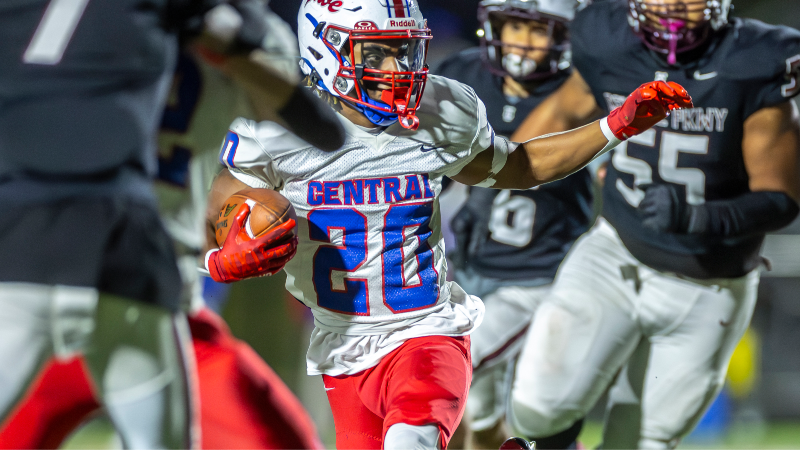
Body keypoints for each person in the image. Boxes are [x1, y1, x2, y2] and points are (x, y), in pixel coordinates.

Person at [202, 0, 692, 448]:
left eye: (406, 51)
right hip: (343, 344)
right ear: (324, 50)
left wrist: (615, 126)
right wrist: (221, 253)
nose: (399, 70)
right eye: (377, 54)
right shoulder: (273, 125)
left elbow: (519, 166)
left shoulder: (440, 109)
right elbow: (218, 201)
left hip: (426, 333)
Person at [0, 1, 343, 448]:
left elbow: (235, 164)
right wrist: (226, 43)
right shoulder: (232, 23)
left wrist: (233, 215)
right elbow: (318, 128)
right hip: (115, 269)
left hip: (129, 273)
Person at [506, 0, 800, 448]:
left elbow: (781, 197)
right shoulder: (605, 38)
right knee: (535, 408)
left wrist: (697, 216)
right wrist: (493, 173)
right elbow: (562, 114)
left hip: (710, 283)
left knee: (640, 443)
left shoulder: (751, 61)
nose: (675, 6)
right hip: (616, 251)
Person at [433, 0, 591, 448]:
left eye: (536, 30)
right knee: (482, 418)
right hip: (471, 265)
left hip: (539, 275)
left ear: (564, 35)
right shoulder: (465, 75)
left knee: (453, 359)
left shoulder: (580, 87)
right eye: (513, 26)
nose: (521, 42)